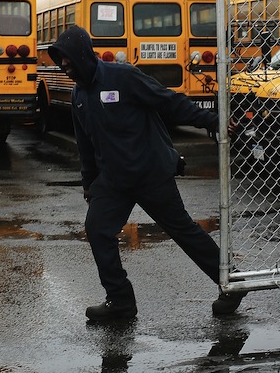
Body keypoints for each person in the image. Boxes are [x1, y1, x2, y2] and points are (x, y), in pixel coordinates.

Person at [48, 25, 246, 322]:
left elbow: (168, 102)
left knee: (183, 230)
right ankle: (120, 300)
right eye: (60, 63)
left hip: (150, 172)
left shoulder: (123, 77)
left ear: (82, 56)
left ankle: (231, 282)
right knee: (98, 229)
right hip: (114, 181)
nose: (64, 67)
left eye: (67, 61)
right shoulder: (79, 96)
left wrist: (211, 120)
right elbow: (85, 145)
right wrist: (89, 183)